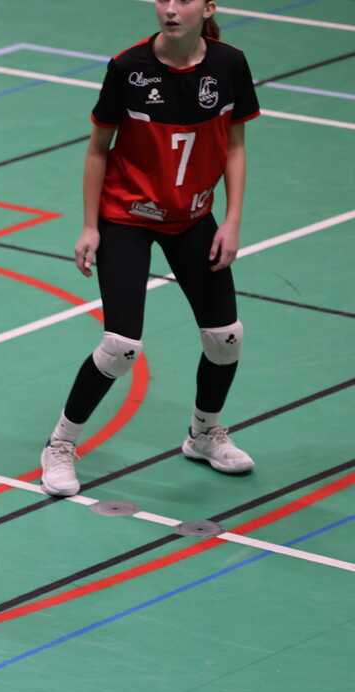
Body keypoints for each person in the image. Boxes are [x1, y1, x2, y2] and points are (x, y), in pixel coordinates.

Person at [39, 0, 260, 497]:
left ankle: (204, 434)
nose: (170, 9)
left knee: (226, 337)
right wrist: (89, 226)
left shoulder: (229, 64)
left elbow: (235, 145)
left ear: (208, 7)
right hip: (126, 217)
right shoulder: (128, 68)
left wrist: (232, 221)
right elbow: (98, 148)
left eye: (183, 0)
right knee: (121, 346)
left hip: (193, 218)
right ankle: (60, 444)